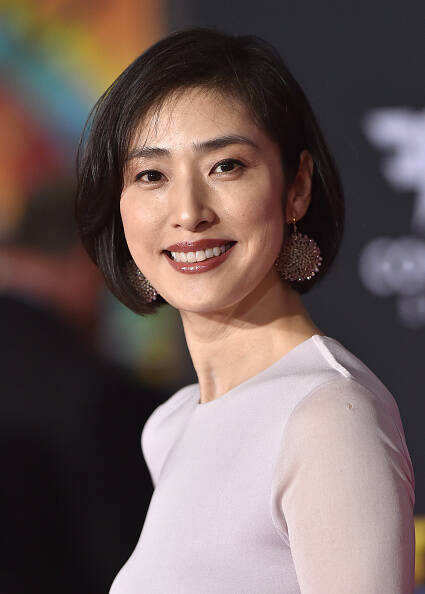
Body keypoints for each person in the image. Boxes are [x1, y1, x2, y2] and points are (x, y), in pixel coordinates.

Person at [75, 27, 416, 593]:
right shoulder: (171, 426)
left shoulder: (329, 418)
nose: (189, 212)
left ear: (296, 188)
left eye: (226, 166)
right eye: (152, 176)